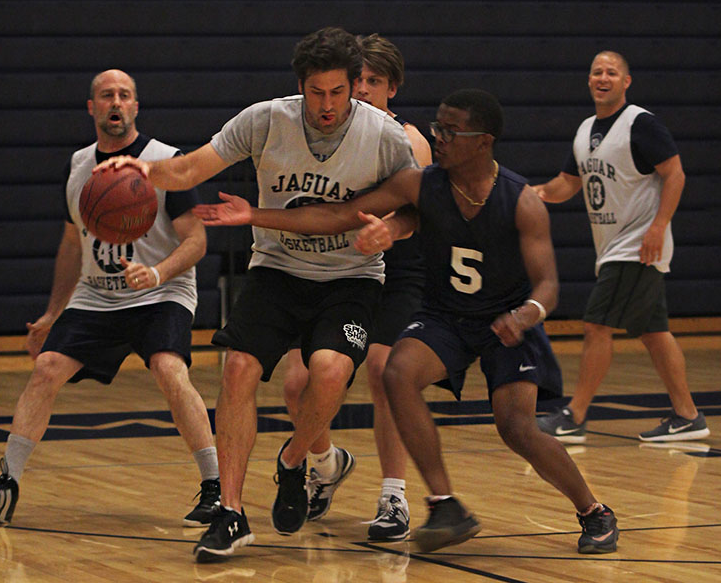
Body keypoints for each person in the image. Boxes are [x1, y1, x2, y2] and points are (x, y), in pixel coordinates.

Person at [194, 89, 620, 555]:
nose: (439, 137)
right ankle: (443, 504)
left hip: (507, 321)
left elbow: (548, 287)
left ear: (484, 142)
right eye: (437, 127)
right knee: (395, 372)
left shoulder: (521, 201)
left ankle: (593, 511)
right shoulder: (421, 184)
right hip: (447, 317)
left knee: (516, 428)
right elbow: (339, 215)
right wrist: (257, 214)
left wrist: (526, 316)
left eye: (451, 131)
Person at [95, 27, 418, 561]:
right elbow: (193, 166)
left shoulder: (384, 135)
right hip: (277, 268)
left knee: (330, 372)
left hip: (351, 277)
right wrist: (141, 169)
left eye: (339, 92)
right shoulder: (266, 119)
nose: (329, 104)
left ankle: (294, 461)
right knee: (239, 368)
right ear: (301, 85)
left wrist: (394, 229)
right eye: (318, 92)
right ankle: (231, 512)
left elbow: (414, 206)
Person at [0, 69, 221, 529]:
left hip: (161, 292)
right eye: (107, 96)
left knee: (169, 368)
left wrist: (158, 271)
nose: (116, 103)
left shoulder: (165, 161)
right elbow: (70, 244)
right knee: (45, 368)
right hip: (97, 294)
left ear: (136, 107)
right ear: (92, 107)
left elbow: (197, 241)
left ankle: (215, 489)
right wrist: (52, 312)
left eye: (125, 95)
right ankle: (7, 486)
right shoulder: (79, 164)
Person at [280, 33, 431, 542]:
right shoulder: (326, 136)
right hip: (340, 271)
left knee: (386, 371)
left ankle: (394, 495)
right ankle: (325, 464)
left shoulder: (407, 140)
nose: (362, 90)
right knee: (296, 385)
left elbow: (424, 212)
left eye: (373, 81)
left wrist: (390, 226)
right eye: (356, 81)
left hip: (399, 271)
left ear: (393, 88)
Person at [534, 51, 710, 444]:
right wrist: (532, 194)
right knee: (653, 333)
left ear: (625, 82)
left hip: (638, 246)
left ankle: (574, 416)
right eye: (597, 71)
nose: (603, 77)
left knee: (597, 325)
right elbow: (566, 184)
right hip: (613, 245)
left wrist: (658, 226)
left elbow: (675, 174)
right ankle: (688, 416)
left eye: (611, 72)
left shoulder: (640, 123)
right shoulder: (584, 131)